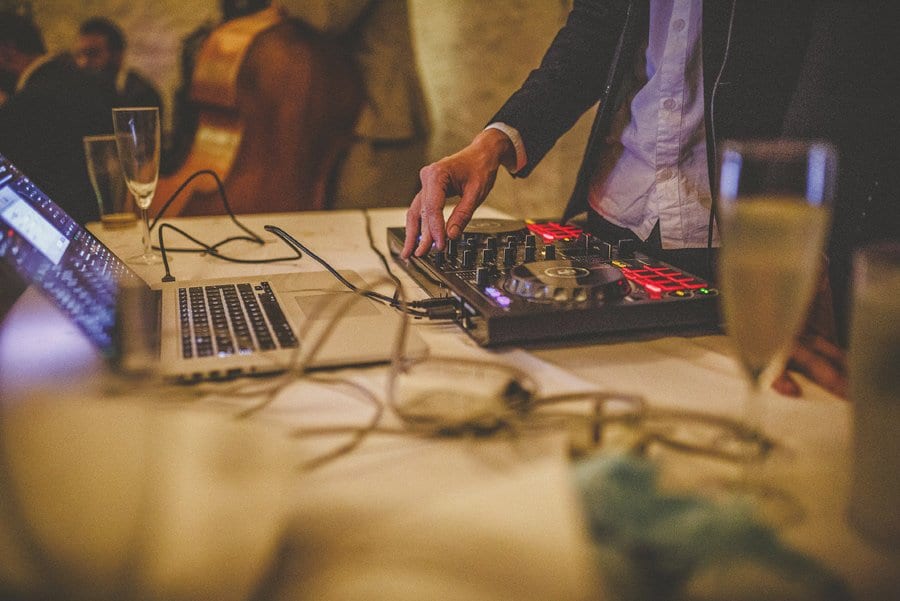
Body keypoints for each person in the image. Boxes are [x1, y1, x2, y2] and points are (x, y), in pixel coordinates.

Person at [402, 1, 894, 398]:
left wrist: (793, 241)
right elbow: (599, 23)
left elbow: (845, 49)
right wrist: (496, 140)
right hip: (616, 217)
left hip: (751, 241)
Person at [0, 10, 112, 224]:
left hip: (55, 232)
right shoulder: (93, 82)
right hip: (109, 224)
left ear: (7, 51)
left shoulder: (22, 107)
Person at [74, 17, 163, 114]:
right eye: (78, 55)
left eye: (93, 54)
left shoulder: (142, 95)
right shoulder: (77, 94)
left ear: (117, 56)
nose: (83, 62)